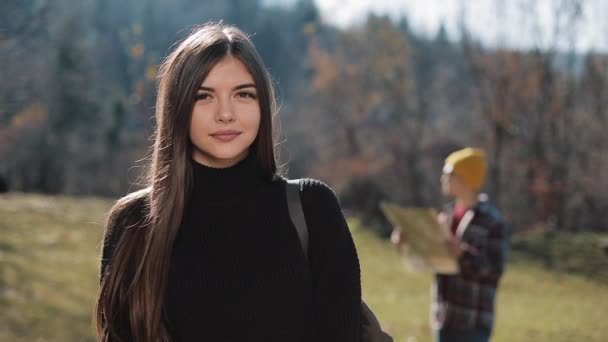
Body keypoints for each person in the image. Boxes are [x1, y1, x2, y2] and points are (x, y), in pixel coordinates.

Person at [94, 23, 362, 342]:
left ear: (263, 103)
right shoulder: (133, 223)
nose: (225, 114)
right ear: (177, 108)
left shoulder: (312, 208)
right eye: (203, 96)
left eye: (243, 94)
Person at [391, 147, 510, 342]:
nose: (443, 178)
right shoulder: (445, 216)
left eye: (449, 173)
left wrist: (462, 254)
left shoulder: (492, 221)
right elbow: (432, 259)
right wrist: (409, 242)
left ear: (465, 178)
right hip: (443, 316)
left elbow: (495, 269)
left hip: (472, 321)